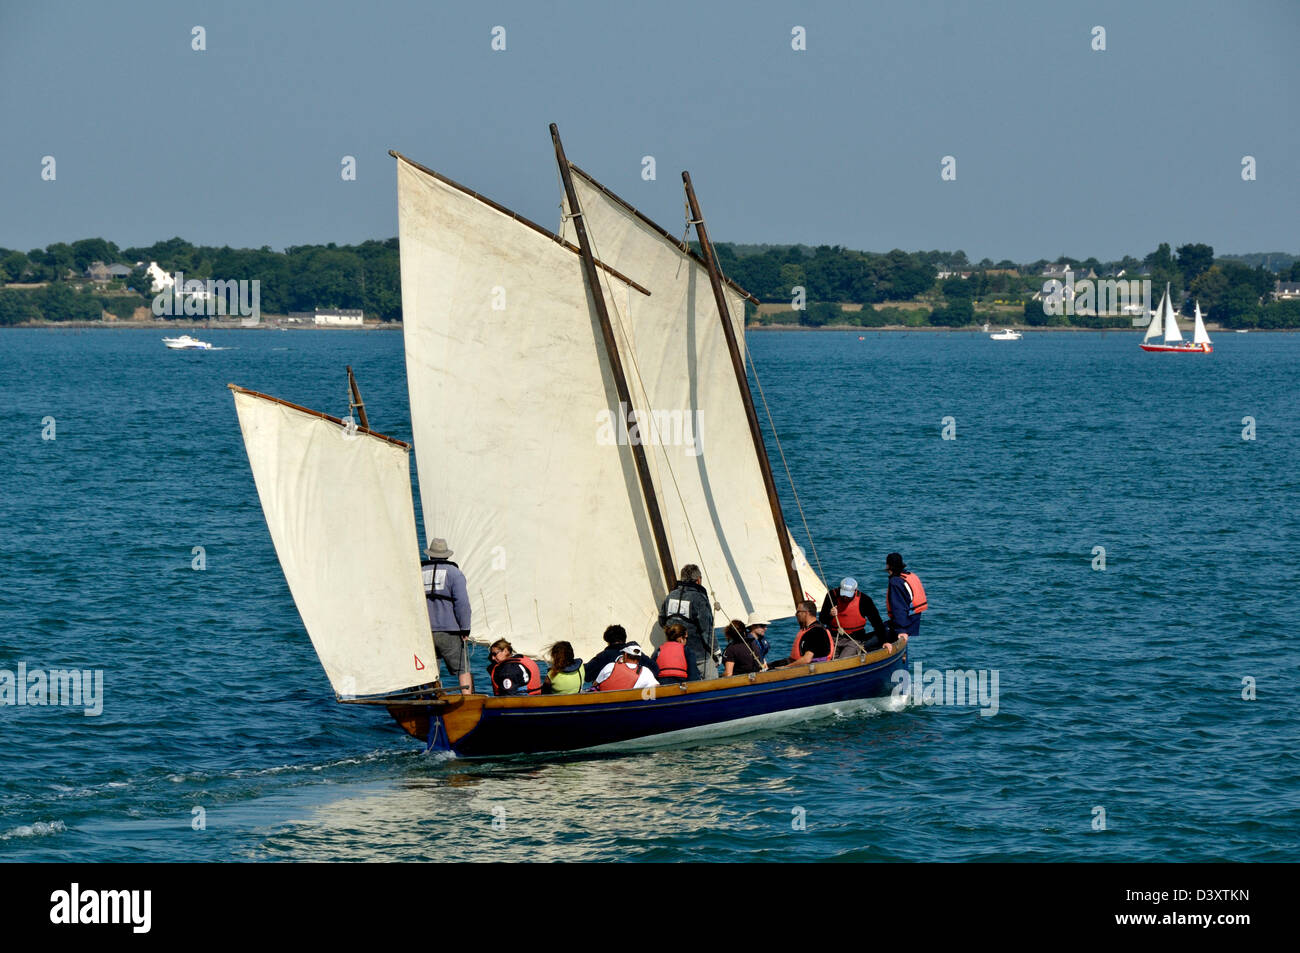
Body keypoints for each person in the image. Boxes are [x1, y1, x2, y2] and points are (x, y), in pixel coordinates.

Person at [420, 538, 473, 693]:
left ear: (430, 555)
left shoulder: (419, 572)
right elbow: (462, 603)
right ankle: (468, 698)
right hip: (449, 630)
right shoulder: (454, 573)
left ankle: (430, 698)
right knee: (462, 668)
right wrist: (465, 629)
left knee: (429, 671)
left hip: (425, 633)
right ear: (447, 556)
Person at [659, 564, 716, 680]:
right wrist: (716, 651)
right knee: (713, 680)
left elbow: (662, 620)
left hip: (674, 656)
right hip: (699, 656)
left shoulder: (670, 596)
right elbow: (707, 630)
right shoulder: (699, 598)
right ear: (699, 580)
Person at [819, 576, 886, 657]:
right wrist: (830, 614)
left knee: (843, 661)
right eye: (843, 594)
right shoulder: (831, 596)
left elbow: (877, 622)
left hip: (853, 640)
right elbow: (822, 619)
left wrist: (885, 641)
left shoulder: (864, 600)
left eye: (848, 595)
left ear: (855, 591)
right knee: (828, 660)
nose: (845, 597)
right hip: (833, 638)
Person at [878, 552, 926, 649]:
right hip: (914, 620)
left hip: (905, 622)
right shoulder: (909, 576)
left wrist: (901, 630)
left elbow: (898, 607)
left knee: (877, 638)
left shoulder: (895, 582)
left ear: (888, 566)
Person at [584, 625, 659, 684]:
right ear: (624, 638)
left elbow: (586, 675)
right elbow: (655, 669)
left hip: (611, 696)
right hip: (636, 695)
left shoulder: (603, 656)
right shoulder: (637, 654)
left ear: (607, 640)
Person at [592, 643, 660, 692]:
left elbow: (595, 684)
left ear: (625, 655)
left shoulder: (611, 666)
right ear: (639, 657)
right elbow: (657, 687)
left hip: (606, 704)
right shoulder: (646, 671)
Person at [789, 600, 834, 664]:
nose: (796, 614)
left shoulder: (816, 632)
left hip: (811, 668)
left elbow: (807, 659)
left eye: (798, 612)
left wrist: (785, 667)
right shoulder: (807, 630)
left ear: (806, 613)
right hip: (797, 664)